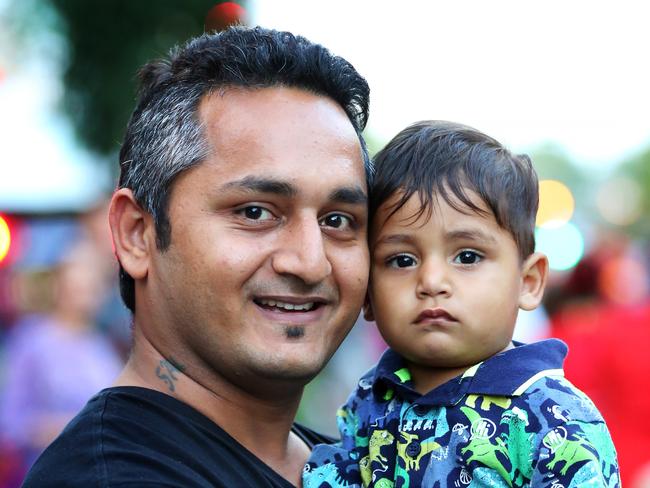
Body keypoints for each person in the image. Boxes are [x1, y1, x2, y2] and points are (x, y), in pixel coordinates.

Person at [23, 25, 372, 487]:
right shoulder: (116, 478)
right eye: (255, 212)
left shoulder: (347, 466)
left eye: (338, 221)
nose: (310, 262)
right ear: (136, 235)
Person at [304, 121, 620, 487]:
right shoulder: (369, 400)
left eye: (467, 257)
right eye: (402, 260)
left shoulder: (554, 417)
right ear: (369, 295)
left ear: (528, 282)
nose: (432, 282)